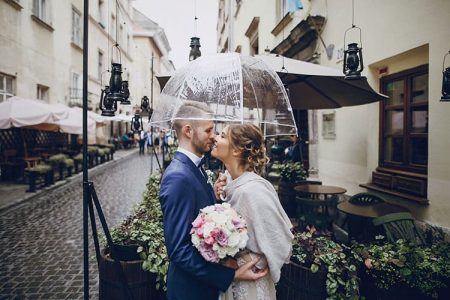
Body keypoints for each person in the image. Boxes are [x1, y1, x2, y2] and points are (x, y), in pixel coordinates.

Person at [159, 101, 268, 300]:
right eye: (209, 130)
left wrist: (215, 199)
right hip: (191, 291)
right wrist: (230, 275)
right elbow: (178, 250)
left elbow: (196, 214)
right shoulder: (178, 177)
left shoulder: (192, 168)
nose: (213, 136)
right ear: (188, 131)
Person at [212, 123, 294, 300]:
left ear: (236, 150)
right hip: (233, 280)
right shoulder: (231, 185)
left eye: (222, 135)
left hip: (251, 284)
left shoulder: (252, 191)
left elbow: (279, 240)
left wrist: (245, 262)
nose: (215, 138)